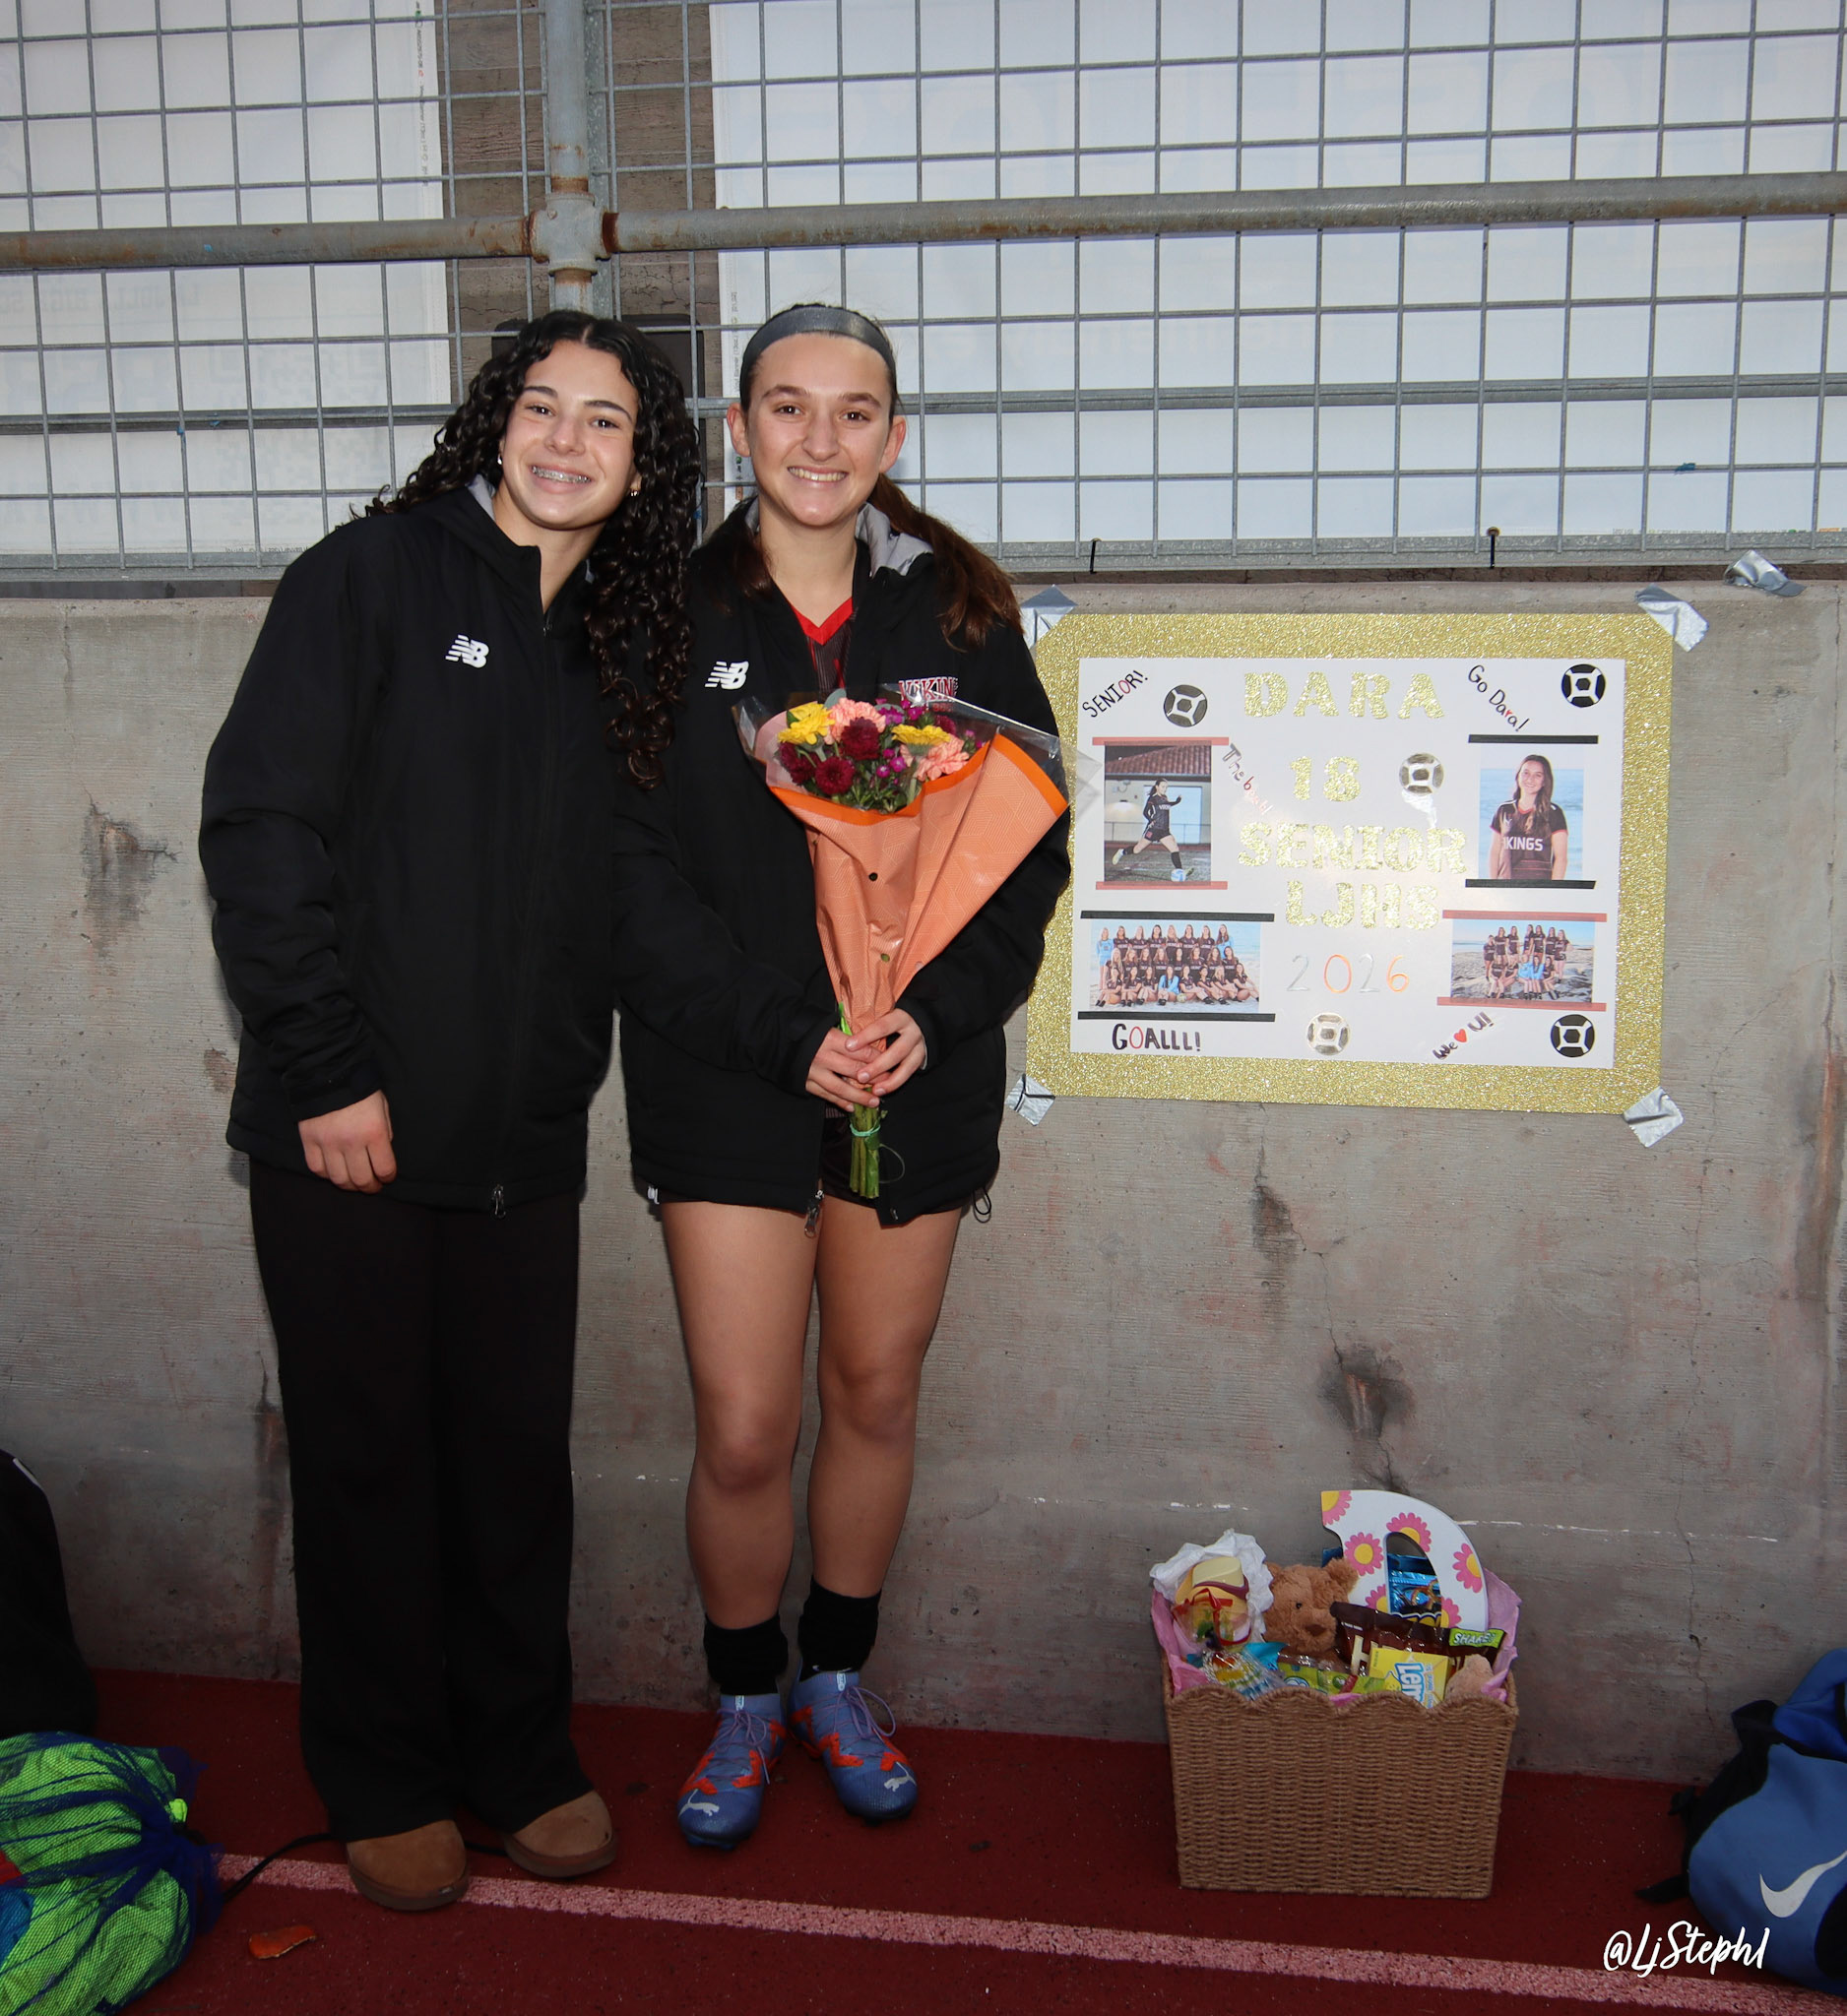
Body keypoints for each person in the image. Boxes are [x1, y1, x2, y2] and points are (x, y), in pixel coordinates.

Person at [200, 313, 699, 1912]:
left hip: (524, 1143)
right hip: (344, 1127)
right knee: (368, 1465)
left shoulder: (624, 643)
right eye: (540, 406)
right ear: (495, 423)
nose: (566, 440)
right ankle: (385, 1775)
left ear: (643, 469)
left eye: (605, 422)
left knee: (513, 1468)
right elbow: (261, 829)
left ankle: (518, 1756)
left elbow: (631, 899)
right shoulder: (370, 576)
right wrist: (326, 1069)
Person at [605, 304, 1068, 1851]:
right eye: (787, 408)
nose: (819, 440)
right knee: (745, 1424)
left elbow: (1027, 845)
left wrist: (931, 1013)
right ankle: (746, 1693)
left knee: (874, 1387)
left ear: (894, 435)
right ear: (740, 428)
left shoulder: (959, 615)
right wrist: (779, 1031)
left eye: (854, 411)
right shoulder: (660, 614)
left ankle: (838, 1678)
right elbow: (627, 872)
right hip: (727, 1073)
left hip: (911, 1072)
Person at [1488, 755, 1568, 882]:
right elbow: (1495, 852)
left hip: (1540, 887)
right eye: (1526, 773)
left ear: (1544, 781)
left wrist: (1553, 888)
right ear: (1518, 776)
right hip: (1506, 885)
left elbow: (1561, 858)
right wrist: (1493, 885)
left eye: (1538, 775)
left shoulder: (1554, 813)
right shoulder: (1504, 810)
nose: (1530, 779)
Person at [1110, 778, 1185, 881]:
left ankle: (1180, 871)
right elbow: (1145, 812)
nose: (1165, 789)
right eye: (1163, 786)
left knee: (1174, 849)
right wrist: (1151, 820)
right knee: (1137, 850)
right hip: (1153, 830)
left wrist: (1177, 801)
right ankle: (1121, 852)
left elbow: (1168, 805)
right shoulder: (1152, 799)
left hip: (1164, 831)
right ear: (1157, 787)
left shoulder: (1165, 798)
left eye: (1166, 787)